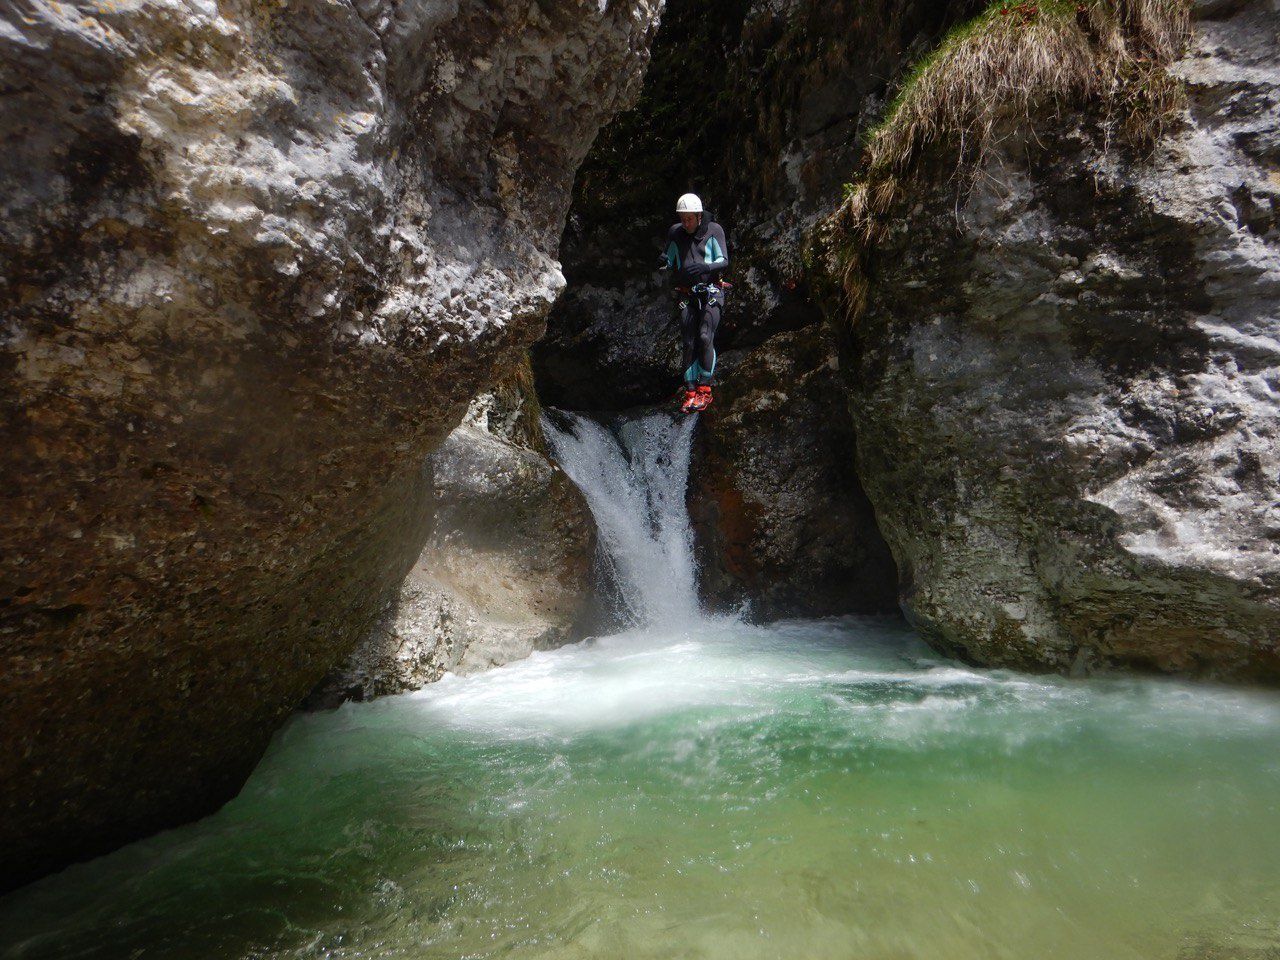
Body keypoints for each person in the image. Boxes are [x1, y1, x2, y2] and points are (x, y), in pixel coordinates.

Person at [659, 193, 729, 413]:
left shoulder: (714, 230)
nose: (686, 223)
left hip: (711, 291)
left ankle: (705, 389)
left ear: (699, 216)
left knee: (705, 336)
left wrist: (705, 268)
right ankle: (690, 391)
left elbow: (724, 260)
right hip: (687, 293)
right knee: (689, 341)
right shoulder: (675, 232)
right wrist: (663, 261)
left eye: (689, 218)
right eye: (683, 218)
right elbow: (669, 260)